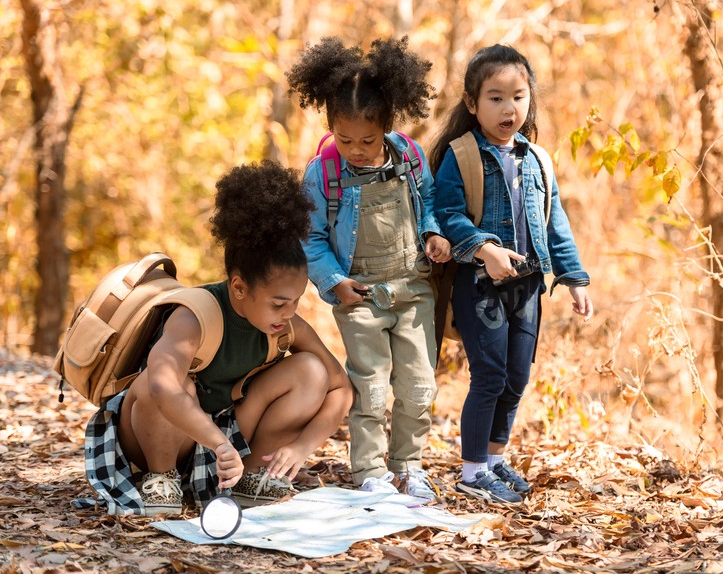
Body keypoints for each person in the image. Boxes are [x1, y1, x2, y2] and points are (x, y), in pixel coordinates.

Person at [83, 160, 353, 516]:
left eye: (296, 300)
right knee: (165, 382)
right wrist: (217, 443)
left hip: (223, 439)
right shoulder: (194, 316)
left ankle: (253, 477)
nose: (289, 312)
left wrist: (302, 447)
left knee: (311, 371)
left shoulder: (287, 326)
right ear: (239, 287)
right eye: (278, 303)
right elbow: (161, 387)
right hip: (159, 435)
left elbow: (341, 389)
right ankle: (161, 480)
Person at [286, 36, 451, 501]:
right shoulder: (324, 173)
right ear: (330, 127)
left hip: (413, 287)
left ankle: (409, 464)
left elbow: (430, 205)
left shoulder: (410, 157)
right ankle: (371, 470)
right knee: (371, 386)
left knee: (419, 385)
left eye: (367, 140)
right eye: (345, 139)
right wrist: (334, 282)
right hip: (359, 295)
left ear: (387, 126)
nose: (356, 149)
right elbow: (312, 237)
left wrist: (435, 236)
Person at [429, 44, 594, 504]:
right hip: (480, 285)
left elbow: (553, 221)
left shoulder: (536, 158)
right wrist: (484, 249)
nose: (509, 108)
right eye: (496, 97)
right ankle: (471, 470)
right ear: (472, 103)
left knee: (517, 376)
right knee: (489, 375)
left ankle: (495, 459)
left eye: (518, 96)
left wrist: (574, 276)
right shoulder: (461, 156)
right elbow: (448, 214)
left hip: (527, 287)